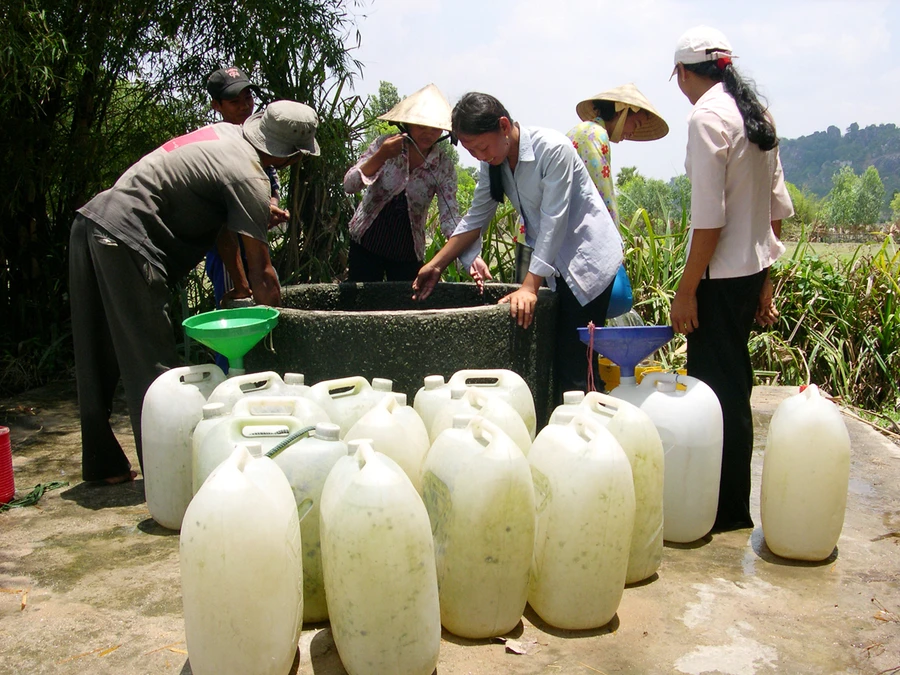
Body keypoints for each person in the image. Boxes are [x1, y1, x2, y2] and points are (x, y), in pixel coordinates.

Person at [69, 100, 319, 484]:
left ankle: (103, 465)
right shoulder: (251, 176)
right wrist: (278, 331)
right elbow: (265, 275)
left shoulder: (228, 139)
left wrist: (237, 287)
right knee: (154, 366)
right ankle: (173, 477)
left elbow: (223, 233)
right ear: (291, 156)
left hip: (92, 223)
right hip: (126, 239)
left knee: (97, 350)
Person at [412, 92, 623, 401]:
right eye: (472, 151)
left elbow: (554, 220)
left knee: (576, 364)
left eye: (482, 147)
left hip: (587, 262)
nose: (480, 156)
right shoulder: (494, 162)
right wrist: (437, 264)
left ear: (503, 125)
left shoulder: (552, 150)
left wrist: (529, 286)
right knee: (559, 361)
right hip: (556, 266)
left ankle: (587, 432)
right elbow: (476, 217)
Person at [669, 26, 793, 532]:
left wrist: (686, 289)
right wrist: (765, 281)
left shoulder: (707, 117)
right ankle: (732, 507)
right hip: (748, 274)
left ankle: (720, 511)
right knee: (734, 386)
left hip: (718, 279)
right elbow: (775, 209)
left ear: (682, 73)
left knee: (714, 396)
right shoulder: (756, 115)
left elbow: (710, 220)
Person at [344, 84, 461, 281]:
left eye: (435, 129)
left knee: (403, 307)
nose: (428, 133)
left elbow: (450, 216)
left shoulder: (443, 166)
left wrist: (461, 249)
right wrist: (381, 156)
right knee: (361, 305)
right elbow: (350, 185)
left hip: (407, 251)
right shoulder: (386, 145)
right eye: (421, 126)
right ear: (407, 124)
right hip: (366, 241)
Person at [204, 67, 289, 310]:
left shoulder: (256, 140)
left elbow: (271, 186)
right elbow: (220, 215)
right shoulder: (216, 143)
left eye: (248, 99)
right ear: (217, 106)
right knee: (238, 311)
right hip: (227, 246)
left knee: (263, 303)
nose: (244, 107)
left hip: (254, 240)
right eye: (234, 102)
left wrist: (270, 208)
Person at [568, 83, 669, 231]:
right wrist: (614, 238)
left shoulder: (581, 130)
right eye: (635, 124)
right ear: (621, 112)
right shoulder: (596, 134)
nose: (633, 132)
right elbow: (602, 195)